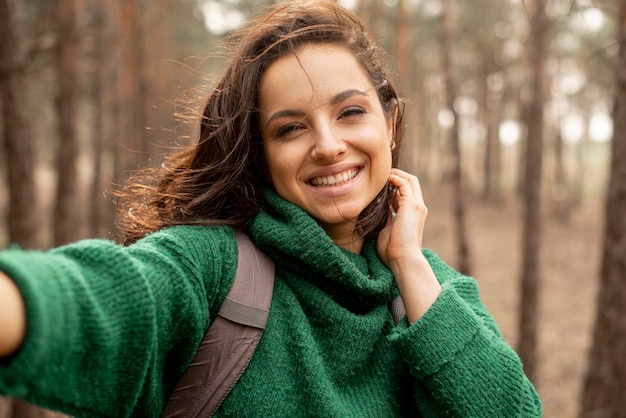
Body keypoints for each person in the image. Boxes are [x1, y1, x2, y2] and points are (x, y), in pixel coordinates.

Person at [0, 1, 542, 416]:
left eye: (350, 112)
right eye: (290, 128)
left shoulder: (436, 294)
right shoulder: (212, 268)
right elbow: (107, 299)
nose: (328, 145)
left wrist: (410, 266)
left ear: (391, 123)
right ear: (260, 155)